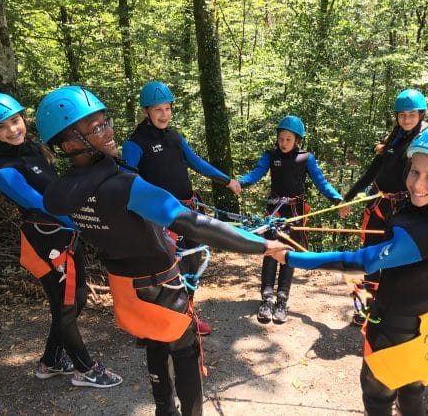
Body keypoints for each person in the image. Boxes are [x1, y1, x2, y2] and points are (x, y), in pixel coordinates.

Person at [35, 85, 289, 416]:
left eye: (106, 121)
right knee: (184, 351)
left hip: (126, 286)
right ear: (69, 144)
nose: (110, 131)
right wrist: (263, 245)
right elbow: (195, 224)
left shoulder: (63, 194)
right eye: (96, 128)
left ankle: (164, 411)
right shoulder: (125, 186)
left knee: (155, 341)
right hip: (162, 286)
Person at [271, 124, 428, 416]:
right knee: (413, 391)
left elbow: (358, 261)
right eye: (415, 172)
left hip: (393, 331)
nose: (417, 185)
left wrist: (291, 257)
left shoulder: (421, 232)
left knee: (378, 399)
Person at [0, 92, 122, 388]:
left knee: (75, 299)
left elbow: (60, 190)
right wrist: (84, 224)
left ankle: (51, 361)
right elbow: (40, 203)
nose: (13, 130)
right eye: (3, 127)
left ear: (23, 119)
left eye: (15, 121)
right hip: (47, 239)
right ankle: (84, 368)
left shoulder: (34, 149)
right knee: (67, 303)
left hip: (63, 233)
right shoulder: (1, 167)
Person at [121, 81, 241, 336]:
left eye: (167, 109)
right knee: (163, 270)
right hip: (158, 217)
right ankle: (156, 320)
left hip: (188, 212)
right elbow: (127, 178)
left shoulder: (175, 138)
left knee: (192, 265)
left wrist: (227, 180)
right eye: (158, 110)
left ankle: (188, 314)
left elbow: (197, 163)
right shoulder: (135, 143)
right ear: (146, 111)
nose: (164, 115)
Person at [237, 115, 343, 324]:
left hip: (296, 212)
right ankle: (266, 298)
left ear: (297, 140)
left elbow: (321, 182)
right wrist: (240, 183)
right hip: (275, 212)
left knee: (289, 254)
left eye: (288, 139)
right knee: (271, 251)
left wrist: (336, 198)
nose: (283, 143)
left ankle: (282, 299)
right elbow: (256, 173)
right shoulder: (270, 155)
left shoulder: (305, 158)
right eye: (281, 138)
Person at [339, 88, 428, 325]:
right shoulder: (394, 139)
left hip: (405, 209)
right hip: (380, 205)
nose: (406, 118)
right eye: (402, 114)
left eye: (411, 113)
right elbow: (371, 172)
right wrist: (347, 197)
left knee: (395, 259)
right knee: (371, 259)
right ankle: (366, 308)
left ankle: (389, 309)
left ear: (421, 114)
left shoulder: (427, 140)